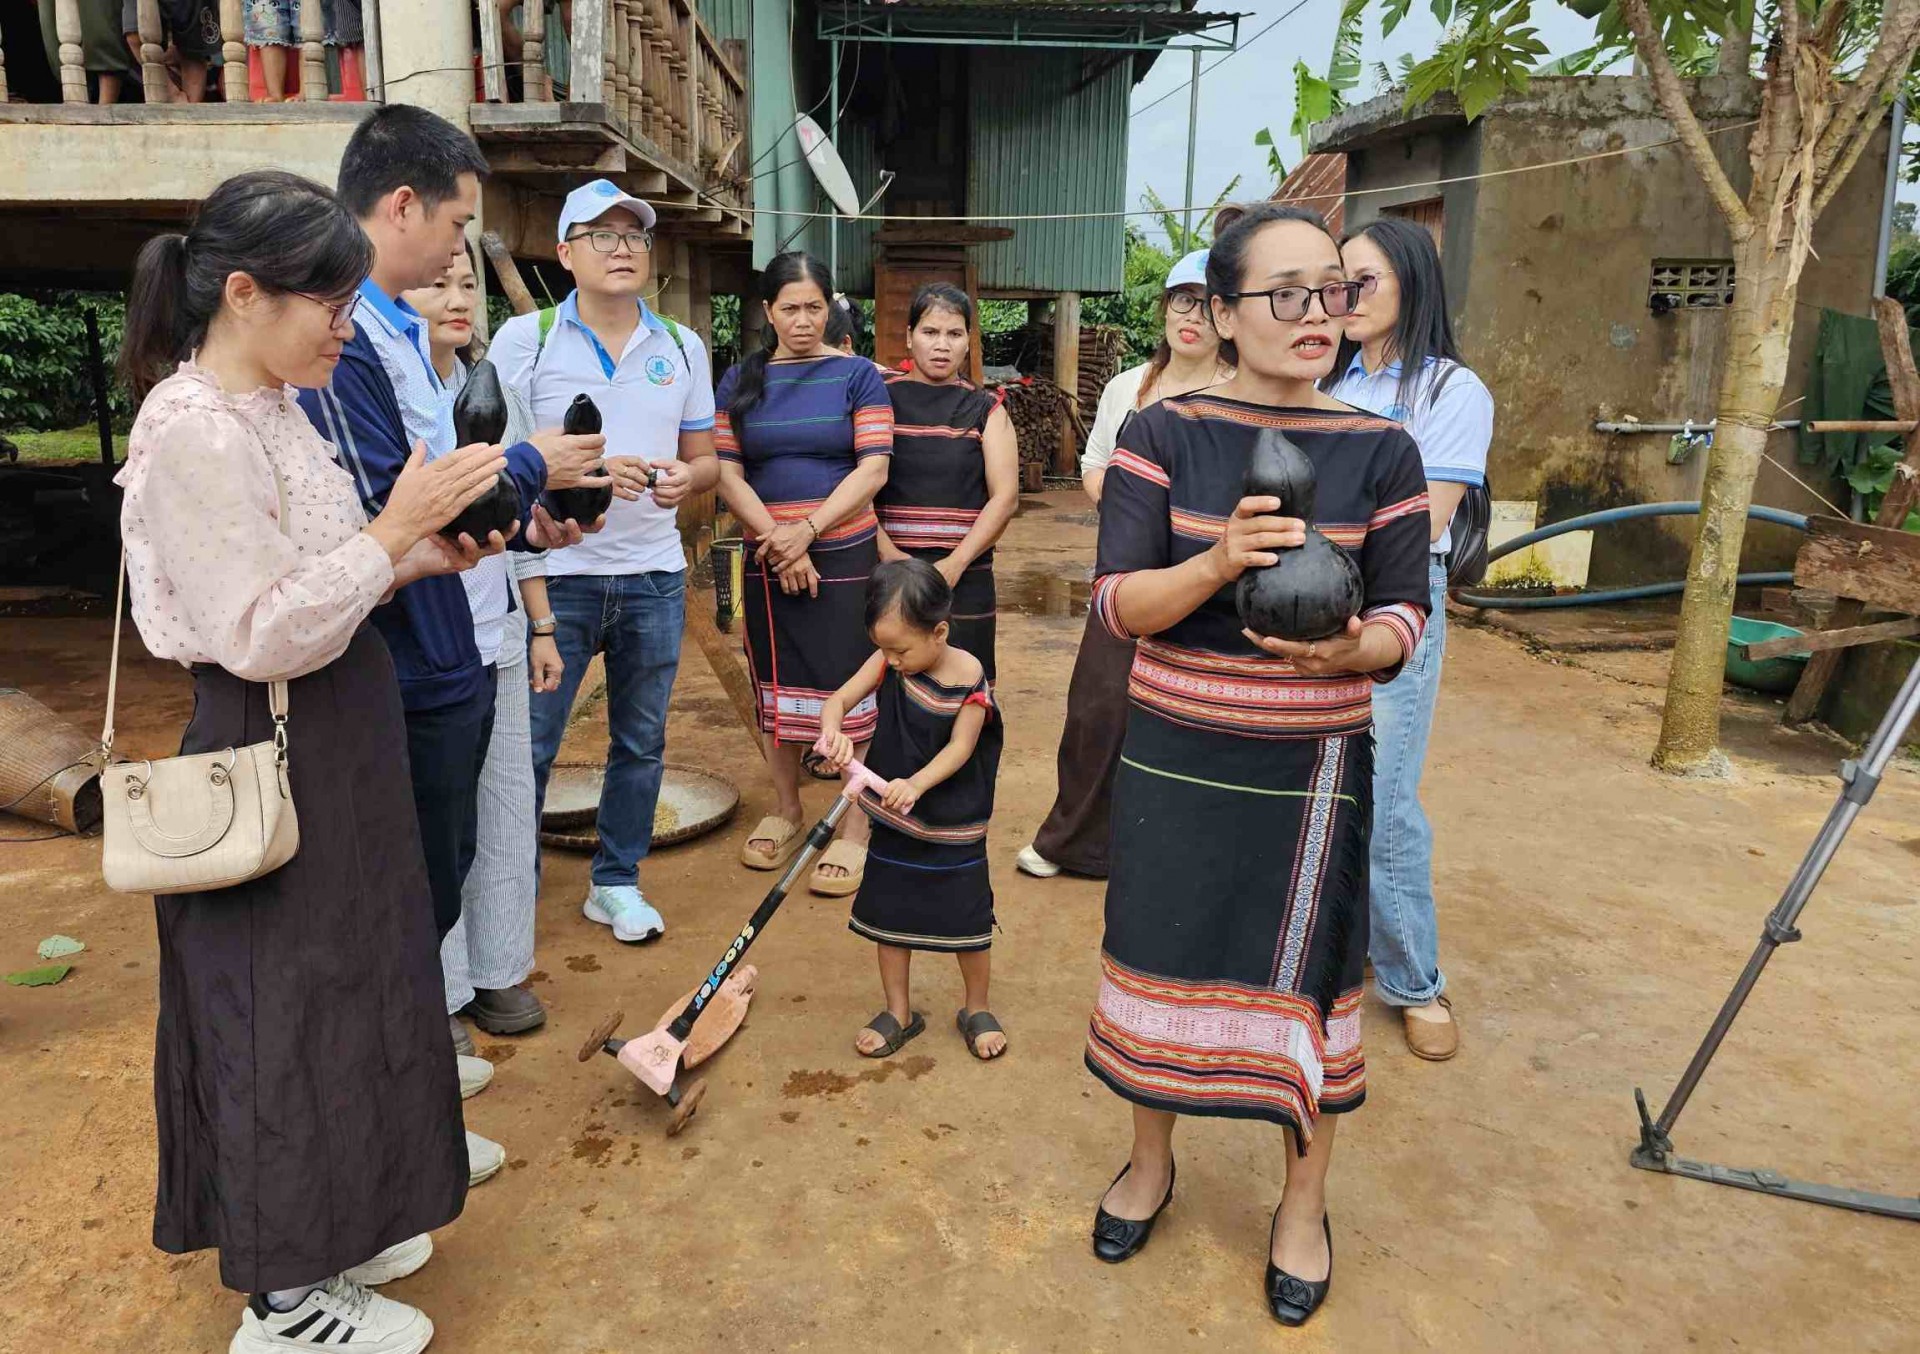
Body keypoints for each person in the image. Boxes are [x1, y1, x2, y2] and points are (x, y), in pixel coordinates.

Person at [116, 169, 507, 1353]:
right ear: (243, 293)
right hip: (261, 731)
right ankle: (284, 1296)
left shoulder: (272, 405)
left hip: (333, 725)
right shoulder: (190, 431)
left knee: (356, 982)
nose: (349, 326)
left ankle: (344, 1214)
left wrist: (423, 551)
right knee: (278, 1009)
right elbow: (256, 629)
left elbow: (326, 572)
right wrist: (393, 531)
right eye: (330, 306)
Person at [1083, 203, 1431, 1327]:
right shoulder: (1164, 433)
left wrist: (1354, 646)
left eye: (1332, 289)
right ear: (1222, 313)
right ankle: (1150, 1162)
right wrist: (1220, 559)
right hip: (1179, 751)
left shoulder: (1384, 449)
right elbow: (1119, 605)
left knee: (1316, 979)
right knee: (1158, 945)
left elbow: (1405, 619)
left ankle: (1303, 1201)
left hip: (1316, 762)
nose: (1316, 313)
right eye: (1284, 293)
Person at [296, 103, 615, 1180]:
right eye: (457, 223)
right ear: (400, 206)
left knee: (437, 876)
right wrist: (533, 467)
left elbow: (452, 504)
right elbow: (401, 503)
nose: (458, 252)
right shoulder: (346, 341)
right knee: (402, 897)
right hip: (405, 654)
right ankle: (404, 1113)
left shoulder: (396, 334)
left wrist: (528, 517)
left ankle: (420, 1066)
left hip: (449, 640)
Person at [492, 178, 720, 944]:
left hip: (654, 575)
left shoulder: (681, 346)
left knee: (641, 740)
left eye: (634, 237)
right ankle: (509, 887)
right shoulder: (523, 343)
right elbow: (497, 465)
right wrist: (586, 474)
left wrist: (692, 479)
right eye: (602, 235)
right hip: (557, 577)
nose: (622, 250)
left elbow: (705, 458)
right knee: (531, 744)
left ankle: (615, 882)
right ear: (565, 253)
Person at [1328, 216, 1493, 1063]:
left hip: (1397, 594)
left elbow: (1424, 518)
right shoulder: (1330, 380)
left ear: (1411, 284)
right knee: (1316, 775)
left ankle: (1416, 981)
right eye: (1338, 281)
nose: (1345, 298)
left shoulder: (1449, 394)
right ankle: (1334, 954)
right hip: (1315, 592)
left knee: (1384, 796)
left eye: (1365, 281)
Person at [1016, 249, 1233, 881]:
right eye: (1181, 301)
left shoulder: (1238, 393)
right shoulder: (1127, 387)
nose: (1192, 318)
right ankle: (1072, 842)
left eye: (1208, 305)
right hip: (1129, 571)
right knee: (1098, 706)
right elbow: (1093, 467)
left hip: (1207, 577)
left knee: (1191, 713)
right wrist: (1140, 510)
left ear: (1231, 315)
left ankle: (1170, 849)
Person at [402, 244, 558, 1054]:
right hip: (425, 639)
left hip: (491, 629)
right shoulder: (389, 389)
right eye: (438, 282)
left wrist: (538, 624)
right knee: (437, 819)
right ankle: (443, 991)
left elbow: (521, 519)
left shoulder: (489, 388)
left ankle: (498, 969)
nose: (457, 297)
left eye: (467, 282)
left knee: (500, 806)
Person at [715, 251, 893, 898]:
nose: (801, 319)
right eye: (788, 307)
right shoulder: (741, 379)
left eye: (813, 307)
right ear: (767, 312)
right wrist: (778, 541)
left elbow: (873, 468)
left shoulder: (857, 377)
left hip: (843, 554)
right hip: (767, 555)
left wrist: (808, 533)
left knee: (850, 687)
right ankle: (787, 809)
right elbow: (729, 473)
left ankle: (853, 826)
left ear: (830, 309)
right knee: (777, 679)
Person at [817, 559, 1006, 1060]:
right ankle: (899, 1011)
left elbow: (961, 748)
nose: (892, 660)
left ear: (939, 631)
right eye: (884, 648)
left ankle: (977, 1007)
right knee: (889, 907)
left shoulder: (968, 677)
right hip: (895, 812)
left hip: (953, 819)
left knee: (968, 917)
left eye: (900, 649)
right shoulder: (886, 658)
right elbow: (838, 700)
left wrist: (917, 783)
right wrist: (831, 731)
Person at [875, 283, 1018, 681]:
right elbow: (857, 482)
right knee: (888, 687)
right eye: (930, 332)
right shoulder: (878, 401)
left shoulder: (986, 408)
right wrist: (888, 554)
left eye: (954, 334)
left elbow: (1004, 498)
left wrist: (954, 565)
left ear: (968, 343)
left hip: (965, 577)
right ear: (909, 337)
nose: (942, 345)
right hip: (889, 572)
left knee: (964, 690)